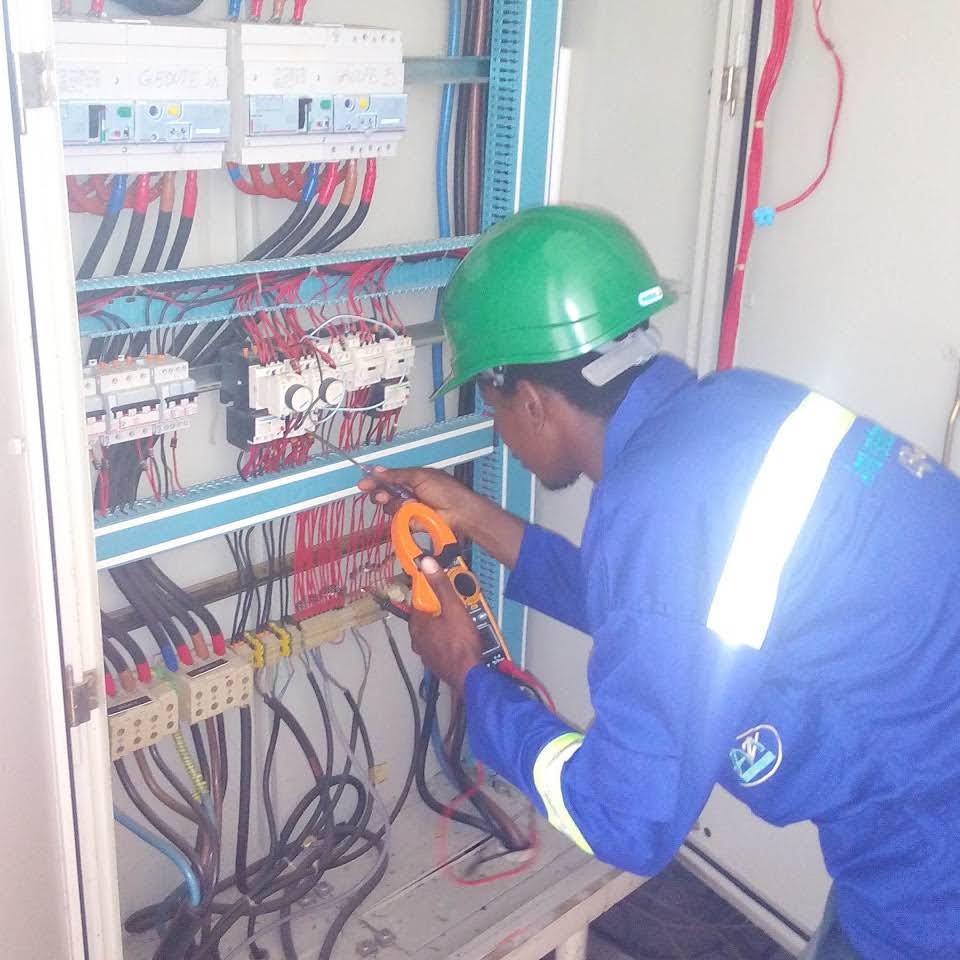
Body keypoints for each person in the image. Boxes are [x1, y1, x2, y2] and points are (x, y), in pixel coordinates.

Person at [360, 206, 960, 959]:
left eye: (493, 405)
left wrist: (469, 674)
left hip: (932, 871)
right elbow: (668, 612)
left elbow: (625, 820)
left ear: (532, 402)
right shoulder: (732, 410)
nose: (500, 432)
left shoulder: (659, 508)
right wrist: (476, 518)